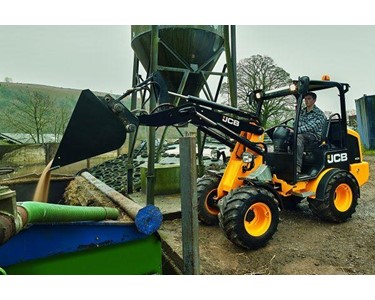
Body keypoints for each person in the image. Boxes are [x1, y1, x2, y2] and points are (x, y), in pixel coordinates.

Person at [296, 92, 326, 174]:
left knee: (298, 137)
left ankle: (297, 167)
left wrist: (295, 130)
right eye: (305, 99)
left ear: (314, 100)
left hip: (314, 137)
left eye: (309, 99)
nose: (306, 101)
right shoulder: (302, 112)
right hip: (303, 134)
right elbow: (296, 123)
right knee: (285, 136)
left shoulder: (319, 114)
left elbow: (310, 127)